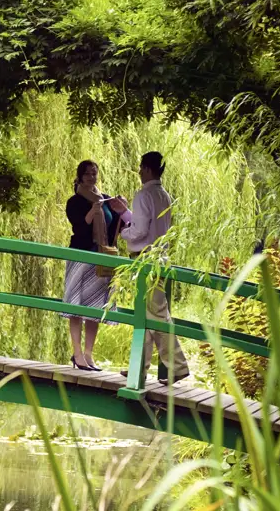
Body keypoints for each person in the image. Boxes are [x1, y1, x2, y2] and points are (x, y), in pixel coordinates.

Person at [110, 151, 190, 385]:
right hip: (159, 258)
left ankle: (179, 366)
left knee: (157, 315)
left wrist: (123, 233)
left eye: (140, 168)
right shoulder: (163, 195)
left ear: (146, 168)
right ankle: (139, 367)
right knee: (146, 315)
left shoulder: (144, 194)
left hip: (145, 260)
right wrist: (126, 213)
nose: (138, 172)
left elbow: (139, 231)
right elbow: (150, 224)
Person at [62, 160, 122, 371]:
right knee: (76, 306)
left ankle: (89, 354)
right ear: (80, 176)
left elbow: (117, 228)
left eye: (94, 174)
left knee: (95, 305)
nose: (91, 177)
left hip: (100, 256)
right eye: (87, 174)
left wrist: (120, 209)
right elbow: (79, 226)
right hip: (81, 255)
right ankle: (77, 353)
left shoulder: (105, 199)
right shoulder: (75, 201)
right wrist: (92, 211)